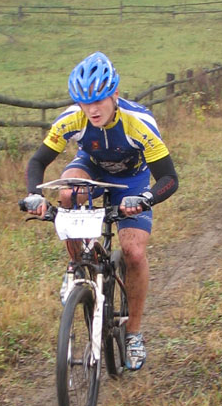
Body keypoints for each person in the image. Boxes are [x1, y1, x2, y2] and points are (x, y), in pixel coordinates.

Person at [22, 52, 178, 371]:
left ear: (115, 95)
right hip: (91, 170)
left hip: (131, 180)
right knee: (66, 191)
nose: (92, 109)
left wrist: (146, 198)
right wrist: (33, 195)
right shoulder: (71, 119)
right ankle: (77, 265)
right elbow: (38, 162)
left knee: (133, 253)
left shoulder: (140, 123)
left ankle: (133, 334)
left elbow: (169, 178)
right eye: (84, 102)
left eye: (100, 101)